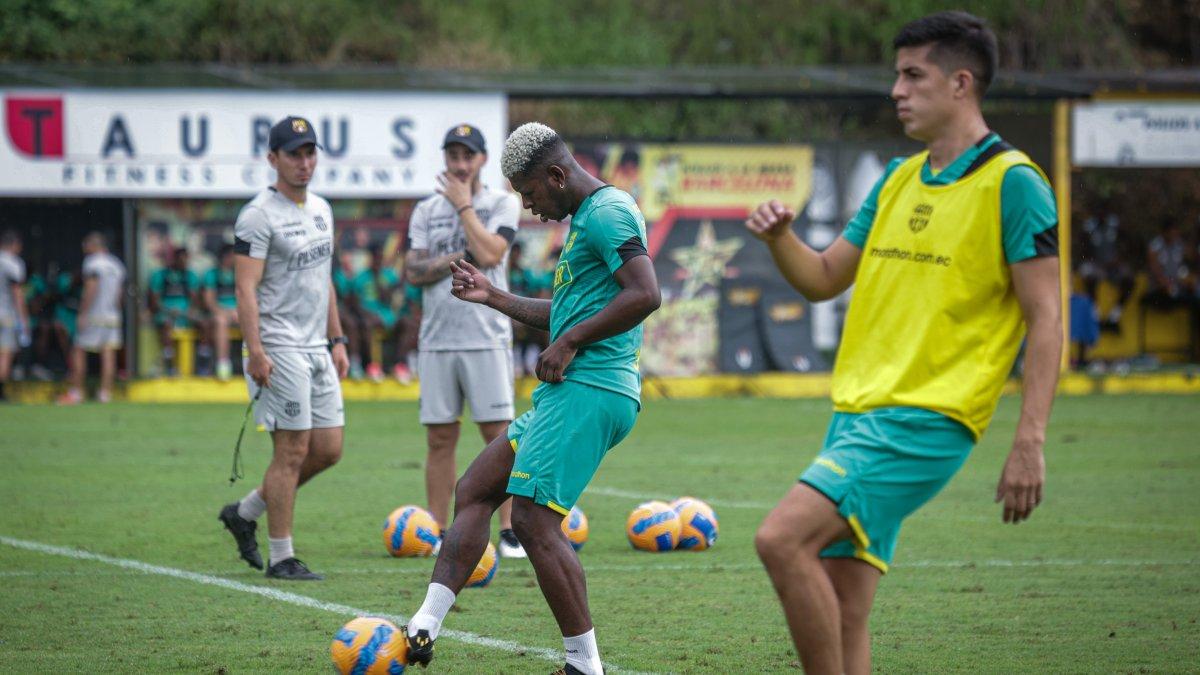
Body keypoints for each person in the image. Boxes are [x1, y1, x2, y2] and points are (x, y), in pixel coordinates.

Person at [746, 13, 1061, 674]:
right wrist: (781, 240)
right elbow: (824, 277)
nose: (897, 89)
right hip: (856, 415)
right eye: (897, 74)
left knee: (780, 539)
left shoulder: (1014, 183)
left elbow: (1046, 317)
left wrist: (1029, 440)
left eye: (913, 75)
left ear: (961, 83)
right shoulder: (897, 178)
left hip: (923, 420)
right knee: (845, 604)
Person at [401, 122, 661, 675]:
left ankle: (583, 665)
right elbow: (566, 313)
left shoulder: (610, 212)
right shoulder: (587, 221)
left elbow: (647, 293)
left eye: (530, 193)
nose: (528, 206)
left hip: (593, 388)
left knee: (534, 523)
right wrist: (493, 296)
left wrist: (569, 342)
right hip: (571, 390)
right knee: (474, 489)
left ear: (556, 174)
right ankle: (424, 622)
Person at [217, 116, 349, 581]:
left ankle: (245, 511)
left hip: (317, 346)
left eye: (310, 152)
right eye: (294, 153)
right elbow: (245, 290)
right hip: (277, 345)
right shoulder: (257, 214)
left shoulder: (323, 209)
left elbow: (324, 279)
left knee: (329, 449)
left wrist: (337, 338)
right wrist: (255, 351)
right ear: (273, 159)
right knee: (291, 451)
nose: (304, 162)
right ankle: (281, 556)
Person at [404, 124, 526, 558]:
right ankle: (436, 531)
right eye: (452, 154)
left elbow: (491, 254)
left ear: (481, 159)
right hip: (437, 339)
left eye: (467, 155)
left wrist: (463, 209)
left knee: (499, 436)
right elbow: (413, 271)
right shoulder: (424, 211)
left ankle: (511, 531)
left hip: (486, 336)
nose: (458, 163)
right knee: (440, 438)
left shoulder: (502, 203)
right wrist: (458, 257)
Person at [60, 232, 126, 404]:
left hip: (94, 315)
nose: (83, 249)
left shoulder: (92, 262)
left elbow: (91, 289)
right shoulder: (116, 264)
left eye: (85, 245)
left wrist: (83, 312)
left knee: (78, 350)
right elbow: (120, 295)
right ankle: (105, 394)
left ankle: (76, 392)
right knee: (108, 354)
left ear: (94, 245)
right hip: (112, 316)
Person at [352, 243, 401, 382]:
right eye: (375, 256)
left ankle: (399, 365)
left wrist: (377, 276)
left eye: (380, 256)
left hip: (386, 314)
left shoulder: (389, 275)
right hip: (365, 316)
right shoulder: (360, 277)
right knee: (367, 323)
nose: (378, 259)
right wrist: (364, 313)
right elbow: (354, 303)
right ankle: (373, 366)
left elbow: (387, 300)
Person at [147, 247, 199, 376]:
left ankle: (202, 362)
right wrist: (169, 310)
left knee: (205, 323)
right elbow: (154, 300)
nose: (184, 263)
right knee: (166, 323)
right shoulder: (160, 275)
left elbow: (194, 299)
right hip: (165, 313)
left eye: (186, 259)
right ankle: (170, 362)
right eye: (181, 259)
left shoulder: (190, 276)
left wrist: (188, 311)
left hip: (185, 314)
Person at [0, 230, 29, 402]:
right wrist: (23, 320)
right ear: (15, 245)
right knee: (5, 354)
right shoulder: (13, 263)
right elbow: (17, 293)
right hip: (5, 315)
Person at [203, 244, 239, 380]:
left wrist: (240, 311)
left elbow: (247, 296)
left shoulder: (240, 273)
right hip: (220, 314)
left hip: (238, 313)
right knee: (221, 321)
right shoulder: (212, 274)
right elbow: (209, 301)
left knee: (253, 320)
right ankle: (223, 364)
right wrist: (225, 312)